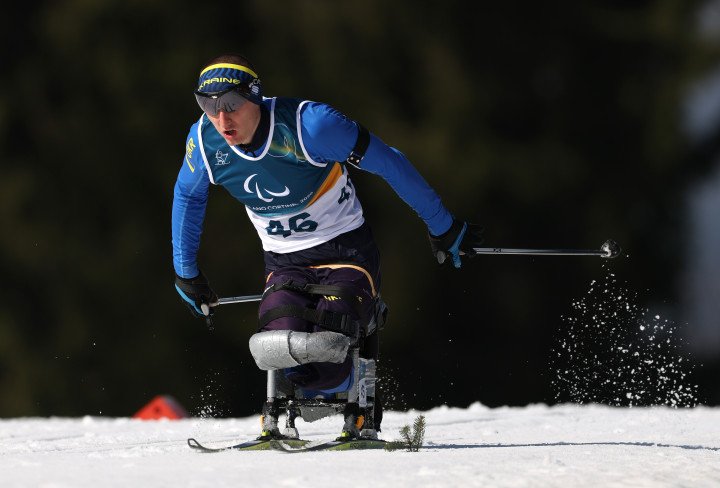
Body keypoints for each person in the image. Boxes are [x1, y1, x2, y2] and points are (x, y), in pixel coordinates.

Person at [171, 53, 484, 434]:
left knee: (329, 344)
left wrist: (443, 226)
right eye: (208, 105)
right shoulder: (204, 142)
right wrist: (186, 273)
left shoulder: (311, 127)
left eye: (232, 105)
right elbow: (188, 196)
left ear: (254, 97)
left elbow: (389, 162)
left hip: (345, 253)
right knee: (275, 344)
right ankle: (314, 397)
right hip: (283, 263)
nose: (222, 119)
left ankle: (357, 378)